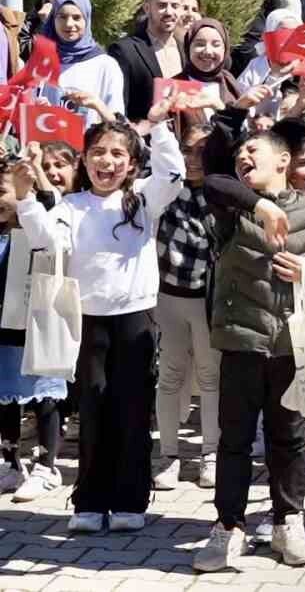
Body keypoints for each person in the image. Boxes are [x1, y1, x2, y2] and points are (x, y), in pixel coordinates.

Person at [191, 127, 305, 573]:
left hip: (293, 345)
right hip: (241, 341)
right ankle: (227, 528)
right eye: (240, 153)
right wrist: (261, 205)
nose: (243, 157)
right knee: (234, 441)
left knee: (288, 439)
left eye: (254, 150)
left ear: (284, 161)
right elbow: (211, 180)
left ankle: (289, 522)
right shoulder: (232, 206)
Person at [13, 105, 186, 533]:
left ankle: (130, 499)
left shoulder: (143, 199)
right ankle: (89, 500)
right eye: (97, 153)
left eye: (116, 155)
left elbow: (174, 172)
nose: (106, 162)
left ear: (130, 163)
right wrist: (24, 196)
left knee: (131, 409)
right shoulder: (71, 205)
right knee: (92, 408)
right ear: (84, 158)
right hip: (87, 320)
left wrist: (160, 125)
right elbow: (44, 240)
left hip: (136, 319)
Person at [152, 121, 223, 492]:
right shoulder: (166, 189)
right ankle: (168, 456)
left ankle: (210, 454)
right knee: (170, 376)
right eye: (187, 150)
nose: (192, 159)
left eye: (201, 151)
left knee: (211, 378)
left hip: (208, 300)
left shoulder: (221, 193)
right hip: (168, 295)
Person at [0, 164, 67, 503]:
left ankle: (47, 465)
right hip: (3, 332)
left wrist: (35, 168)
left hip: (36, 327)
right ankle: (11, 463)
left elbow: (50, 200)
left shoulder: (39, 228)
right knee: (6, 397)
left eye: (2, 192)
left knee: (44, 395)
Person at [108, 0, 190, 123]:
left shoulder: (187, 49)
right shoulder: (125, 50)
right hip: (144, 140)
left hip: (182, 140)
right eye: (162, 5)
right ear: (147, 8)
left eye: (175, 6)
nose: (169, 11)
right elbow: (119, 107)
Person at [37, 0, 125, 125]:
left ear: (87, 20)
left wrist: (96, 105)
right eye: (62, 17)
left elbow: (118, 125)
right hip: (49, 144)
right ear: (53, 19)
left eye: (77, 17)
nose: (69, 24)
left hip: (91, 144)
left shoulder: (105, 65)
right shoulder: (41, 62)